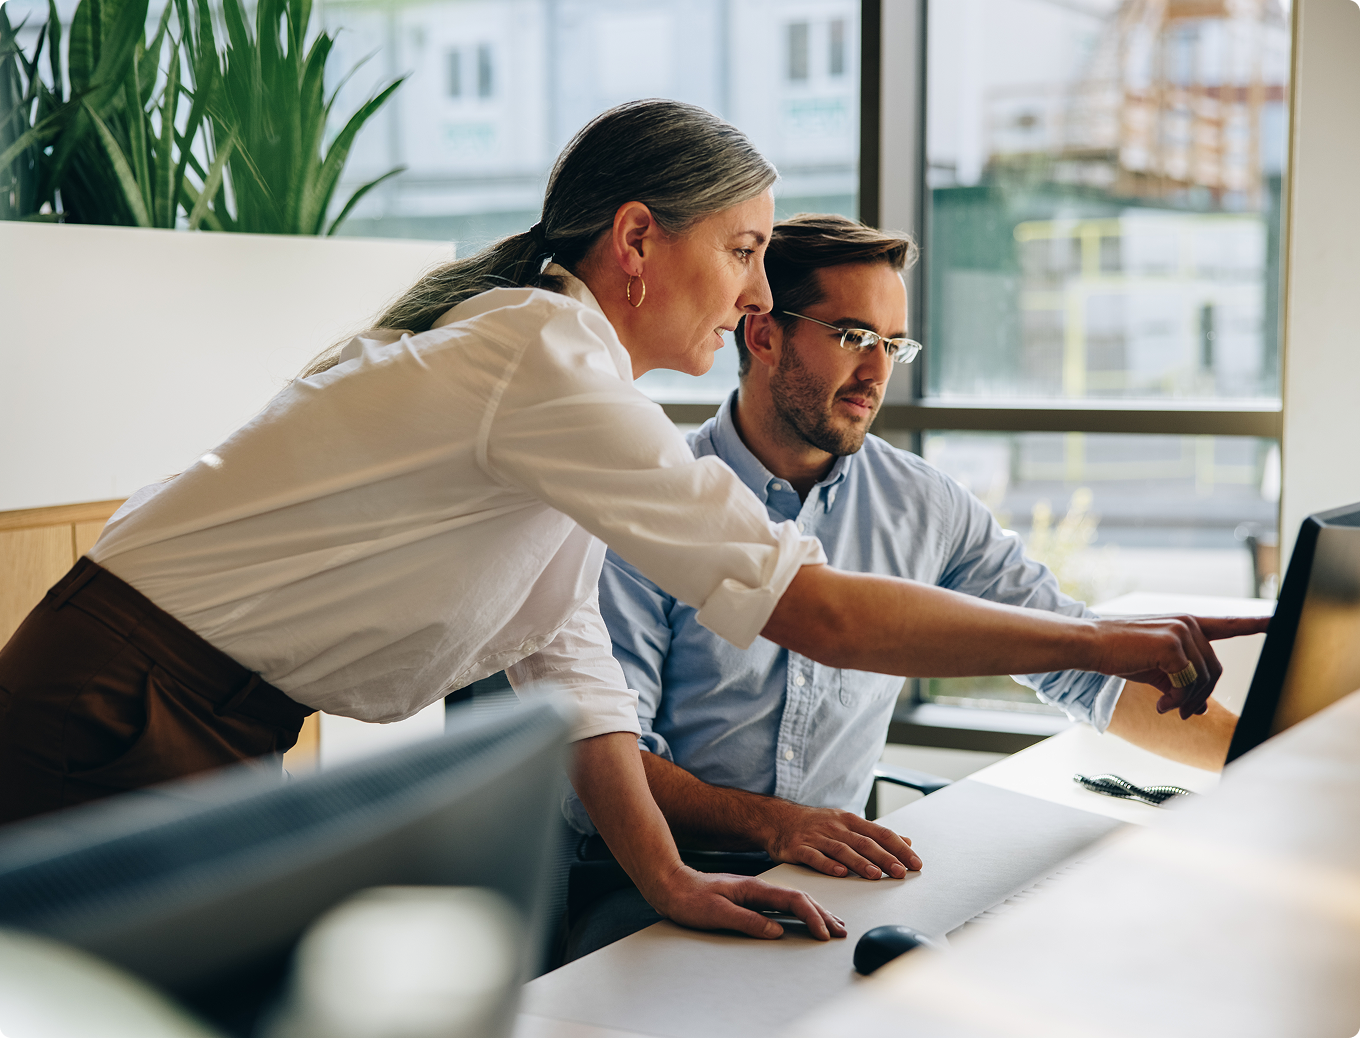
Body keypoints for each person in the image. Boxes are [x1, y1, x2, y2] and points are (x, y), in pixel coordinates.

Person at [0, 102, 1262, 944]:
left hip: (197, 708)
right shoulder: (543, 358)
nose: (758, 293)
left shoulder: (570, 395)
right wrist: (1102, 642)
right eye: (746, 251)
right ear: (638, 241)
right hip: (125, 698)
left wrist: (670, 878)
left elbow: (568, 665)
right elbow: (812, 611)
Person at [563, 213, 1248, 954]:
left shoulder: (923, 505)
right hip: (653, 879)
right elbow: (608, 753)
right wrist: (778, 822)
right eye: (855, 337)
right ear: (763, 334)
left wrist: (1260, 766)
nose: (878, 372)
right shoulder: (651, 499)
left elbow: (1082, 666)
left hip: (834, 879)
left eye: (893, 345)